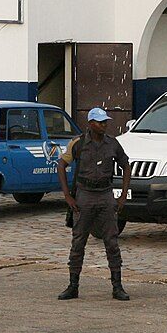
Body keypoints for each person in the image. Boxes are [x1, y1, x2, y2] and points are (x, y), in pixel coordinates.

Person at [57, 107, 130, 301]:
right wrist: (67, 196)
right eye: (100, 122)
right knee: (78, 242)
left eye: (105, 121)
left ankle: (117, 286)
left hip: (105, 195)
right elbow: (61, 165)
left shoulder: (113, 144)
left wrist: (122, 195)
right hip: (85, 195)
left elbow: (126, 165)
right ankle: (73, 286)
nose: (104, 125)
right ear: (90, 124)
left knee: (112, 242)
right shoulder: (78, 144)